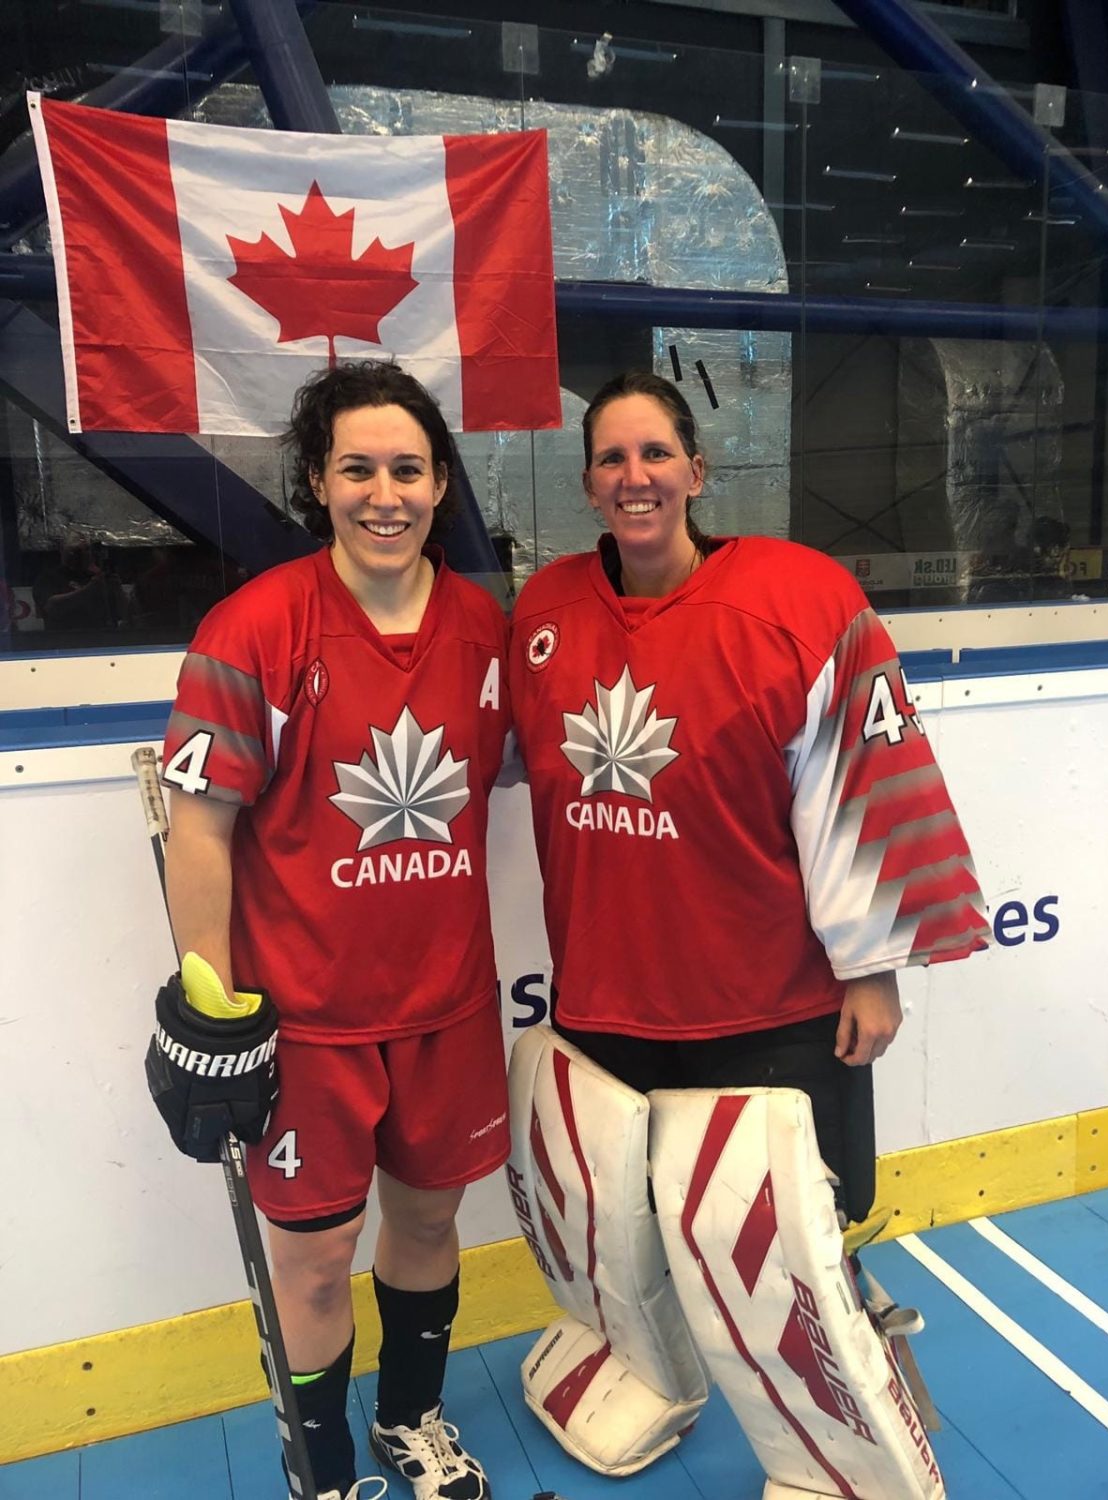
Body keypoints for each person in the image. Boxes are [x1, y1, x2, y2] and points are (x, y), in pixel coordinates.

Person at [509, 367, 992, 1237]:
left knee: (793, 1262)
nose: (634, 477)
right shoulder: (545, 611)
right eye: (611, 459)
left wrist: (871, 971)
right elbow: (484, 746)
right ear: (587, 486)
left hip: (773, 1013)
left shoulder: (797, 600)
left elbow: (856, 787)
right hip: (605, 1009)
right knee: (643, 1252)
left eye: (655, 453)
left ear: (695, 472)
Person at [152, 361, 510, 1500]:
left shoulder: (484, 628)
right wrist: (210, 1006)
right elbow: (199, 829)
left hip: (448, 1009)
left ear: (440, 481)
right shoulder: (256, 627)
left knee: (430, 1225)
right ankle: (326, 1469)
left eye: (408, 469)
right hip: (308, 1025)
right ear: (318, 481)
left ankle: (412, 1420)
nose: (384, 495)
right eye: (358, 469)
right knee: (312, 1267)